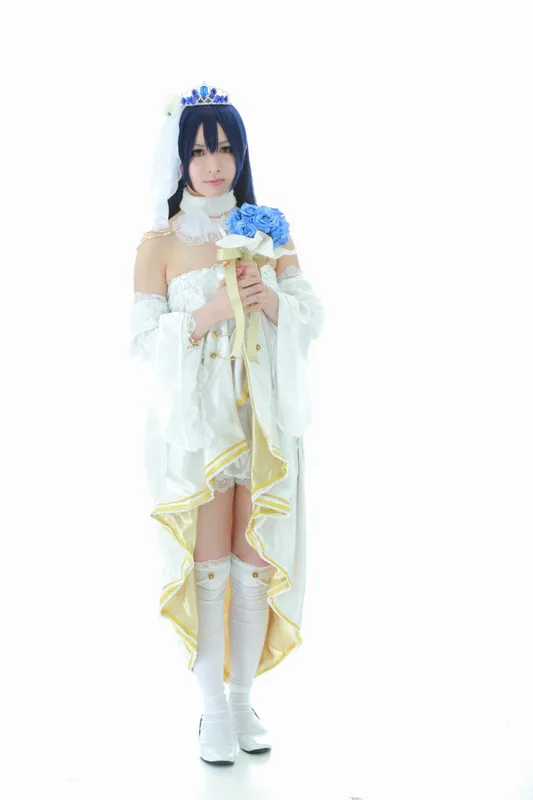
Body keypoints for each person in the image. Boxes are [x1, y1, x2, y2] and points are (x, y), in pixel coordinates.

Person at [129, 82, 326, 766]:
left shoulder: (269, 230)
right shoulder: (158, 245)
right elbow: (141, 343)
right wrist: (210, 313)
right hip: (198, 423)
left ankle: (242, 699)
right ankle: (211, 708)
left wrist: (267, 296)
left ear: (241, 153)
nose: (213, 163)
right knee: (207, 563)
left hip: (262, 415)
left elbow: (310, 315)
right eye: (199, 150)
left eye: (224, 148)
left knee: (253, 561)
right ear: (179, 159)